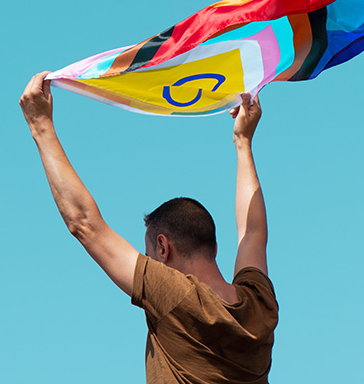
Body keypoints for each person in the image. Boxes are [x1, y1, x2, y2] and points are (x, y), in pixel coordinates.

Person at [19, 71, 278, 383]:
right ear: (215, 249)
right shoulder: (259, 305)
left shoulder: (175, 296)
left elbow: (85, 225)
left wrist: (41, 127)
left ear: (164, 248)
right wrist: (243, 143)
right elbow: (252, 233)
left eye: (149, 254)